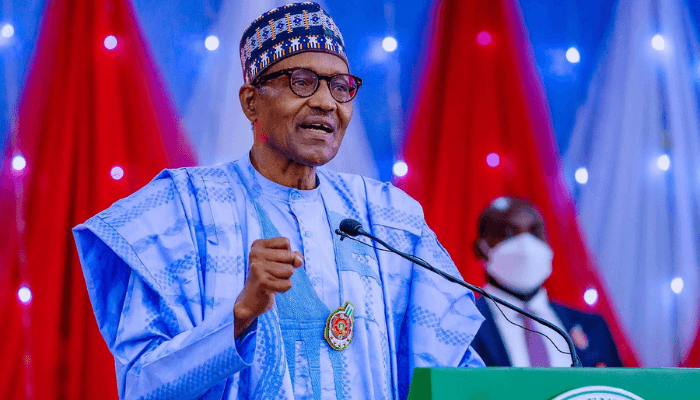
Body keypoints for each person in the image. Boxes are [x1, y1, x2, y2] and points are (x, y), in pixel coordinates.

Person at [72, 3, 484, 399]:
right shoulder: (182, 209)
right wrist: (240, 314)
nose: (326, 102)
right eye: (302, 82)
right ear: (251, 102)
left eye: (341, 87)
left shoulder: (388, 217)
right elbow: (142, 385)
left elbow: (454, 369)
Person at [469, 196, 623, 368]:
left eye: (535, 233)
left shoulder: (593, 327)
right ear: (480, 249)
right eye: (508, 234)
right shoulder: (464, 327)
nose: (526, 245)